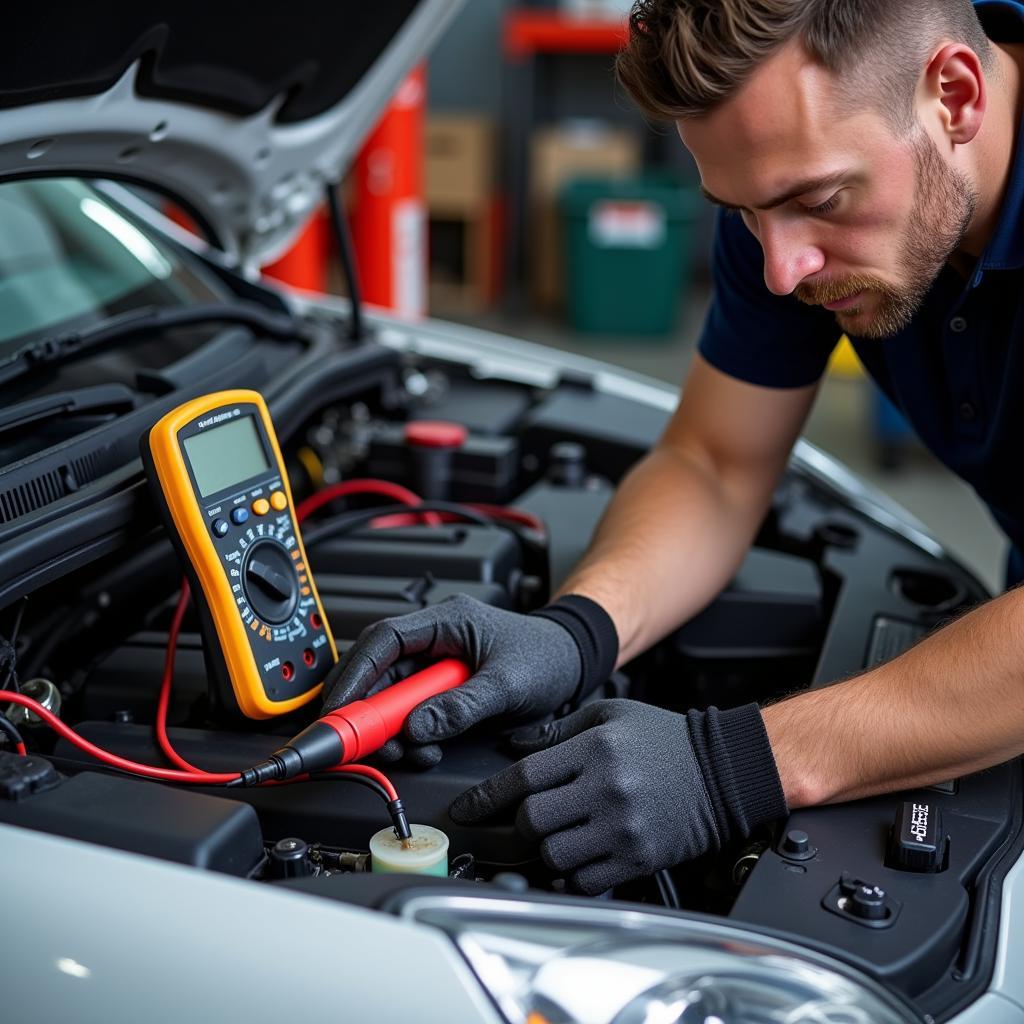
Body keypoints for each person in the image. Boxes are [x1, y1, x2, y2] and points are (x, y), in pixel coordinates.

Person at [322, 0, 1024, 895]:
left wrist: (734, 766)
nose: (781, 269)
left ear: (954, 95)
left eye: (818, 201)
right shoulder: (789, 203)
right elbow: (716, 463)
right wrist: (580, 631)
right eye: (742, 211)